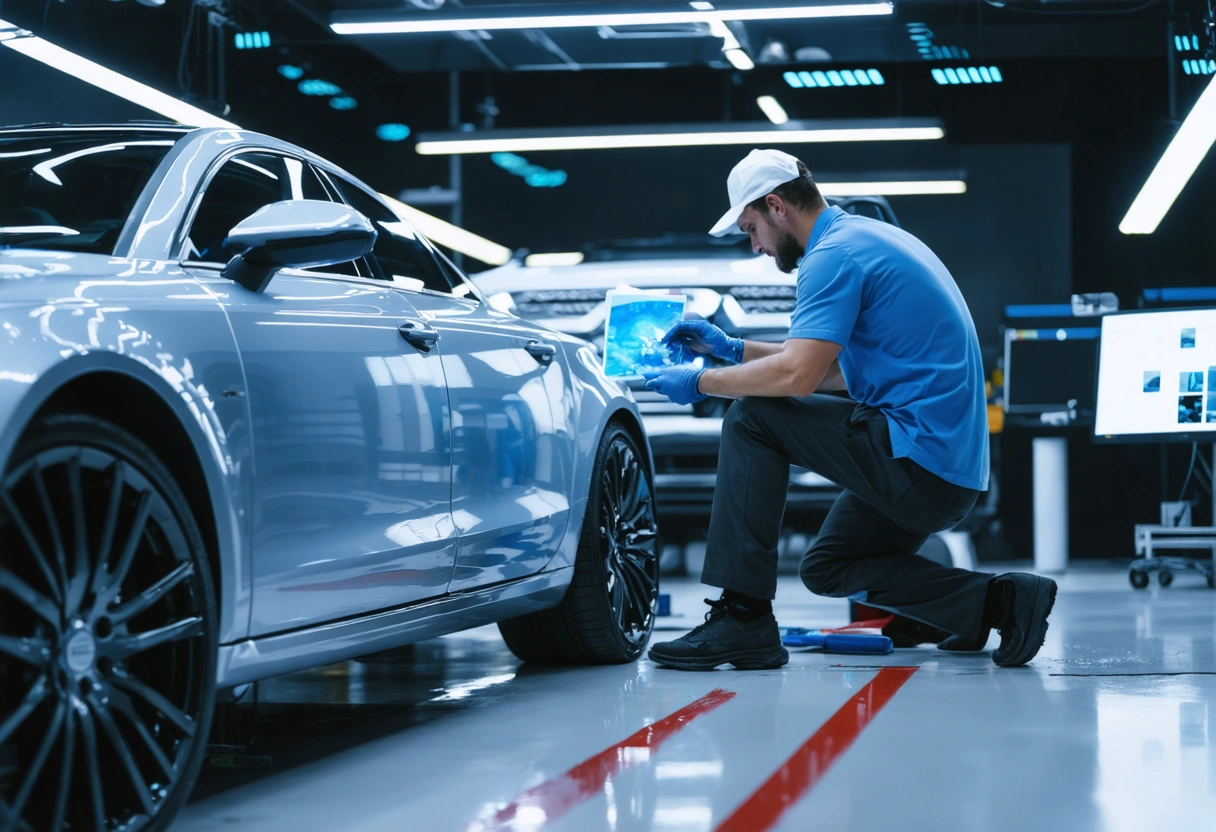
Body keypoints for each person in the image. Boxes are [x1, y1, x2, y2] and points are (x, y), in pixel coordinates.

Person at [643, 149, 1056, 671]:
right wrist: (730, 348)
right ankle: (995, 604)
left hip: (918, 459)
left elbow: (799, 376)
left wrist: (701, 382)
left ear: (776, 207)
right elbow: (833, 369)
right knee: (830, 566)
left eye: (752, 229)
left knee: (751, 418)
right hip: (945, 468)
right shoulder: (865, 237)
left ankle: (743, 619)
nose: (755, 247)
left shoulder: (832, 256)